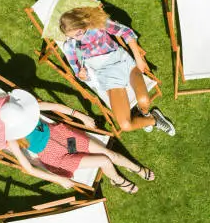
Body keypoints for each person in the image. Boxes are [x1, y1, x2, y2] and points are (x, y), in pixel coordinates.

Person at [0, 89, 154, 194]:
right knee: (104, 160)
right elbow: (29, 168)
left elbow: (55, 107)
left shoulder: (27, 107)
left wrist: (81, 116)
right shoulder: (12, 137)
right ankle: (117, 180)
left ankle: (136, 169)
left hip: (64, 137)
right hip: (56, 157)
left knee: (109, 154)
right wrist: (59, 180)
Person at [59, 7, 175, 136]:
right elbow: (78, 71)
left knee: (144, 101)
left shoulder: (98, 23)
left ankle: (146, 113)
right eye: (72, 36)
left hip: (123, 61)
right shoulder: (70, 46)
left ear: (82, 23)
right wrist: (83, 76)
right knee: (125, 125)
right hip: (107, 76)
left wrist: (139, 59)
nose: (77, 38)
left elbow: (126, 32)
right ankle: (152, 120)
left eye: (78, 33)